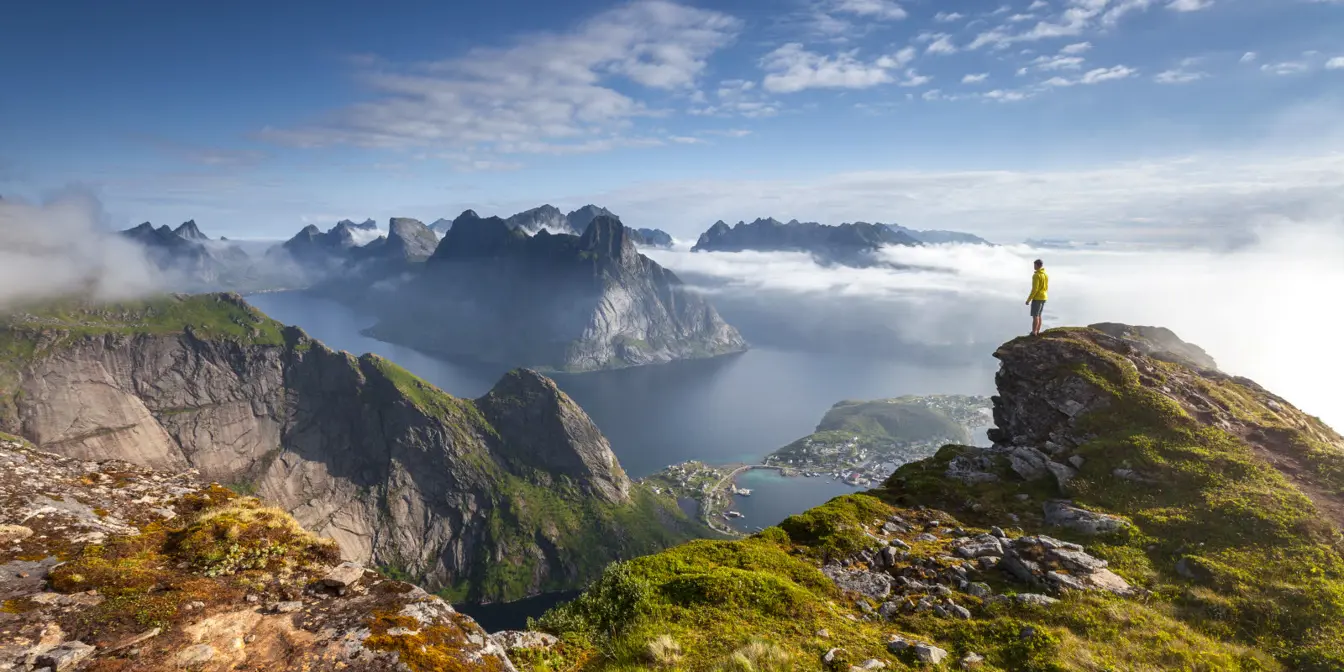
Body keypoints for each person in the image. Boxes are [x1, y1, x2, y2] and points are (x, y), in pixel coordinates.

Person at [1025, 259, 1048, 336]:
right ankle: (1037, 331)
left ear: (1037, 265)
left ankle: (1034, 332)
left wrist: (1029, 300)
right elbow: (1046, 286)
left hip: (1037, 297)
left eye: (1034, 265)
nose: (1034, 266)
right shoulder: (1045, 274)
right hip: (1044, 296)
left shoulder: (1036, 275)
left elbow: (1035, 289)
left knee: (1035, 315)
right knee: (1039, 315)